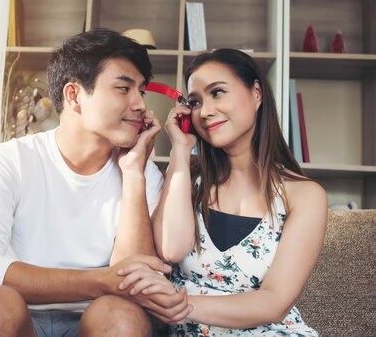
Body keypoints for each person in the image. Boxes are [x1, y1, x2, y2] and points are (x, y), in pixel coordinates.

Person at [0, 28, 190, 337]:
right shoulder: (12, 160)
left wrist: (133, 173)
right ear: (74, 95)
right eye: (123, 89)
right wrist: (97, 281)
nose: (140, 105)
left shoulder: (142, 171)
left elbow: (137, 280)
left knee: (123, 317)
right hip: (24, 317)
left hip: (99, 320)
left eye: (141, 91)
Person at [119, 48, 327, 336]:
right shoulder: (188, 178)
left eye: (217, 93)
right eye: (195, 102)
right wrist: (180, 149)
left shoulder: (305, 195)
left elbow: (274, 301)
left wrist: (179, 304)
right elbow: (171, 248)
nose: (204, 112)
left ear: (256, 93)